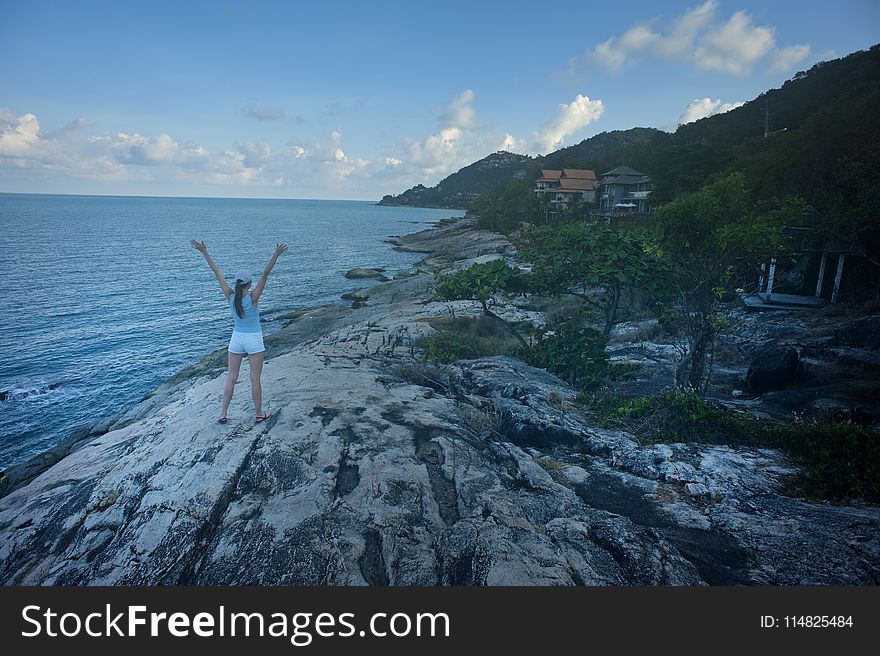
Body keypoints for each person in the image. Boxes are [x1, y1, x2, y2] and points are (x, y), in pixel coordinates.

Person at [190, 240, 288, 424]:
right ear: (249, 284)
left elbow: (217, 272)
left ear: (237, 283)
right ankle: (259, 414)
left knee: (231, 378)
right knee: (254, 379)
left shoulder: (230, 295)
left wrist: (204, 252)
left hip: (236, 340)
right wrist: (276, 254)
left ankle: (223, 414)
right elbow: (266, 274)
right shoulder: (253, 297)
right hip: (254, 340)